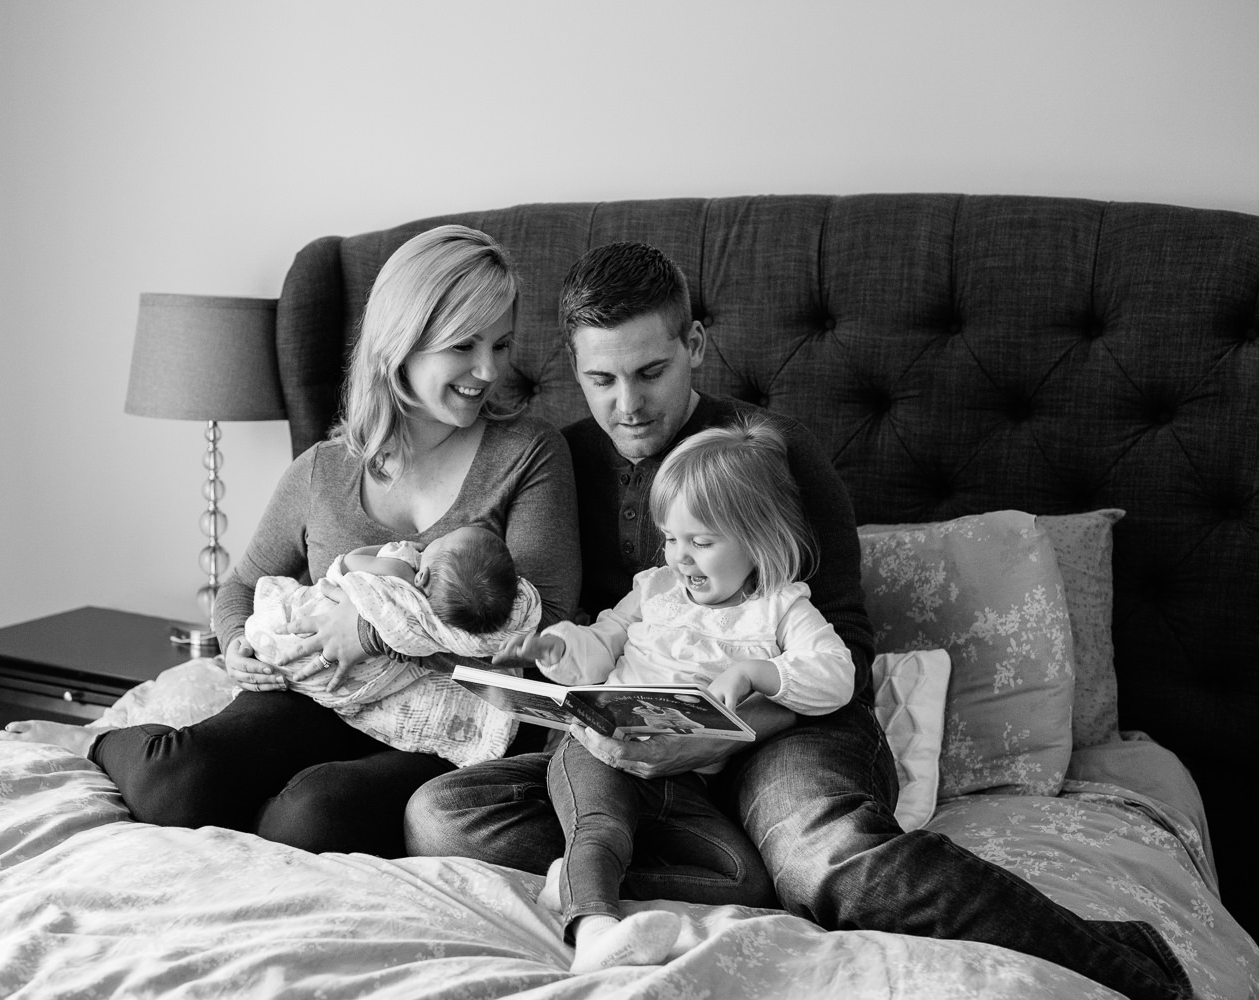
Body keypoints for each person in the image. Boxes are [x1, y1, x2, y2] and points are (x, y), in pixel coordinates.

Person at [404, 241, 1194, 999]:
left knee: (828, 861)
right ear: (573, 366)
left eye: (650, 371)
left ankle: (1126, 963)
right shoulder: (561, 455)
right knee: (443, 819)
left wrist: (726, 729)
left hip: (785, 724)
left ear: (697, 344)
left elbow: (842, 642)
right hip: (642, 738)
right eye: (601, 379)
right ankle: (741, 875)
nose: (626, 404)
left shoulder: (770, 452)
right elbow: (573, 621)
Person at [0, 224, 579, 857]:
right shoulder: (324, 470)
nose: (489, 370)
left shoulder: (529, 454)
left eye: (501, 343)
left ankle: (266, 806)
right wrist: (239, 640)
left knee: (312, 821)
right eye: (464, 344)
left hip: (447, 722)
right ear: (402, 343)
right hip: (321, 700)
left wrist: (377, 629)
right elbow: (241, 585)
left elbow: (538, 629)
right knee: (173, 783)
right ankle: (92, 742)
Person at [497, 415, 854, 972]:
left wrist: (758, 672)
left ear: (760, 541)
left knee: (748, 878)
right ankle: (593, 931)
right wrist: (559, 649)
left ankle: (573, 878)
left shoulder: (783, 607)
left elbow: (837, 674)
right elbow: (600, 645)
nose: (680, 557)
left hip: (688, 779)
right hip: (603, 749)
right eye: (670, 538)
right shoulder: (654, 590)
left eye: (702, 542)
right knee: (601, 824)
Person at [246, 525, 542, 766]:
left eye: (439, 541)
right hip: (329, 674)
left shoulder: (399, 569)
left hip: (308, 657)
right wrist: (233, 637)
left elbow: (348, 563)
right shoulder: (463, 626)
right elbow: (240, 582)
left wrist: (388, 561)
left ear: (422, 576)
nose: (427, 543)